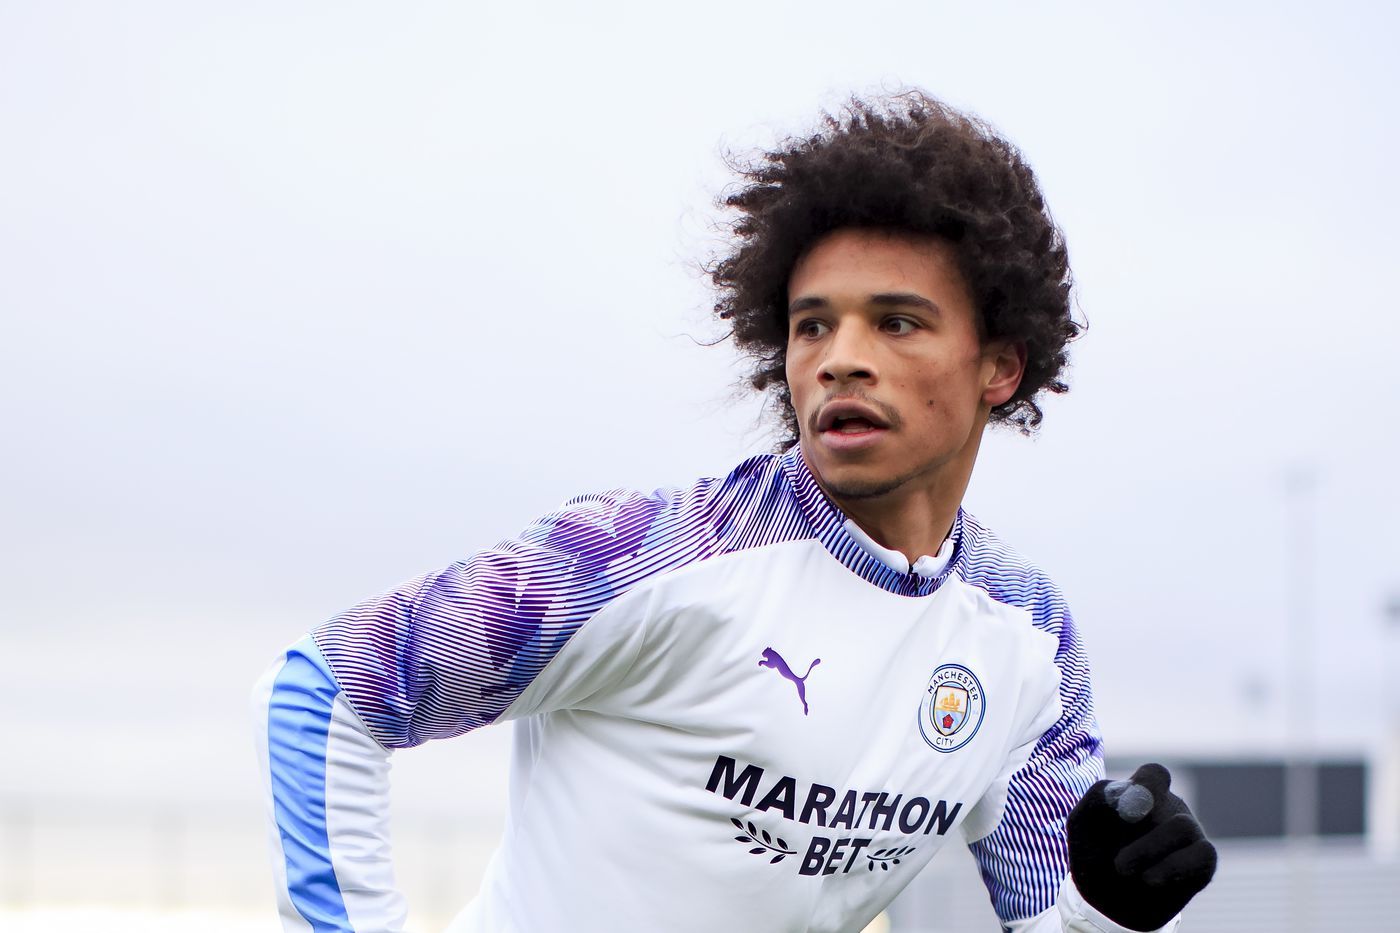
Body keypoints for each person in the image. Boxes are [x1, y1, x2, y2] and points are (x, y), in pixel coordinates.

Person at [253, 91, 1217, 933]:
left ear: (1000, 365)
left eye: (896, 322)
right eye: (812, 325)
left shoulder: (1027, 634)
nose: (839, 358)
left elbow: (1050, 920)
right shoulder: (643, 555)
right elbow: (324, 695)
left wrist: (1111, 904)